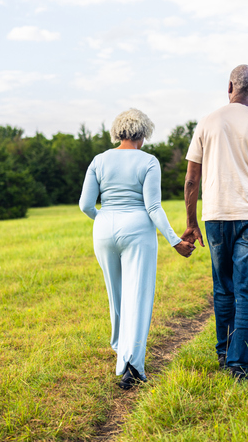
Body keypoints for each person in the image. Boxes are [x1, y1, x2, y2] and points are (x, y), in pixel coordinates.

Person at [79, 108, 195, 390]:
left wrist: (105, 219)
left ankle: (120, 352)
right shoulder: (149, 161)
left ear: (117, 132)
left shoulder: (99, 160)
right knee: (138, 296)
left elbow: (85, 205)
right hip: (138, 229)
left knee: (116, 295)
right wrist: (174, 241)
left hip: (104, 229)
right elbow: (153, 207)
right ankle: (133, 366)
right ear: (142, 133)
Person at [183, 64, 248, 381]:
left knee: (223, 288)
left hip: (215, 216)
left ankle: (224, 353)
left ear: (229, 86)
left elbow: (190, 179)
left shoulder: (207, 123)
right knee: (247, 290)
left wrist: (191, 223)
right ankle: (238, 364)